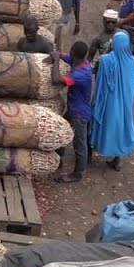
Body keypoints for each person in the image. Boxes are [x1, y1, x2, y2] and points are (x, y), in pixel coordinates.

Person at [90, 31, 134, 171]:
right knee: (120, 126)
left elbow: (98, 79)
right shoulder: (132, 62)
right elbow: (132, 84)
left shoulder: (106, 60)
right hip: (125, 102)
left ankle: (89, 154)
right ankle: (117, 160)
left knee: (101, 123)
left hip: (108, 100)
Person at [56, 41, 94, 184]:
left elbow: (56, 80)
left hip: (79, 114)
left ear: (75, 54)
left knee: (79, 144)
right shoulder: (81, 62)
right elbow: (66, 57)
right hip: (74, 109)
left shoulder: (81, 74)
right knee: (61, 128)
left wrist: (54, 61)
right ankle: (59, 156)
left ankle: (78, 173)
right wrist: (58, 54)